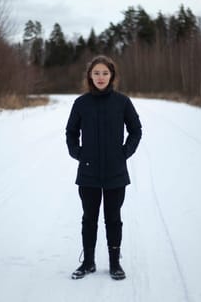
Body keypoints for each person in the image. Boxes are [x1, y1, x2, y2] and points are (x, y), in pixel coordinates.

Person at [65, 55, 142, 280]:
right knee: (89, 218)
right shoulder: (81, 103)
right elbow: (71, 132)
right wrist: (77, 153)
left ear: (112, 76)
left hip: (115, 172)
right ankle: (88, 263)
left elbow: (136, 130)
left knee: (113, 218)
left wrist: (124, 153)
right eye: (96, 73)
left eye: (105, 73)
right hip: (88, 172)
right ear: (90, 75)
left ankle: (115, 264)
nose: (100, 77)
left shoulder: (123, 102)